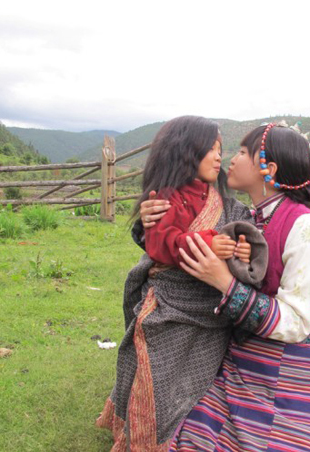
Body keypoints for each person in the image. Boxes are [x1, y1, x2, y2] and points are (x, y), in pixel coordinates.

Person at [139, 123, 310, 451]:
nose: (230, 158)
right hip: (250, 356)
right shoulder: (250, 215)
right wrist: (150, 219)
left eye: (243, 152)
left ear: (268, 169)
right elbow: (184, 231)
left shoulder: (309, 229)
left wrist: (224, 281)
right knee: (196, 436)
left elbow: (296, 323)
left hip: (302, 362)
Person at [96, 116, 262, 452]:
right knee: (157, 376)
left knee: (196, 386)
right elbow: (161, 243)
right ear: (187, 152)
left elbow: (238, 240)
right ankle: (147, 436)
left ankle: (189, 435)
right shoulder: (165, 199)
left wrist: (243, 250)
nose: (220, 156)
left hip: (212, 312)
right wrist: (208, 242)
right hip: (172, 303)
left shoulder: (227, 203)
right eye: (211, 149)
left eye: (221, 149)